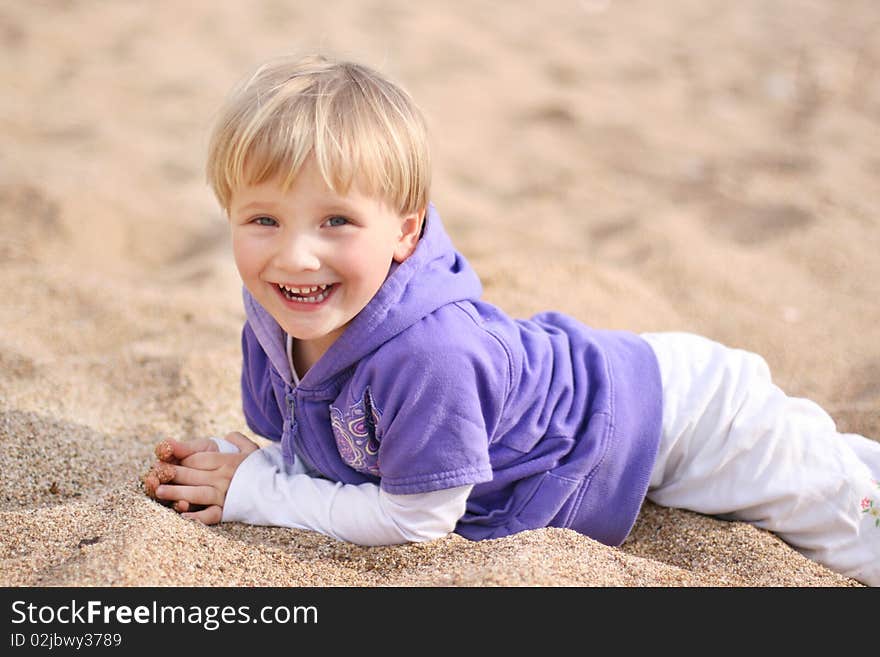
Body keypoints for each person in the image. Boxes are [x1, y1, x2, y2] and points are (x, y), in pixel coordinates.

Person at [145, 53, 880, 586]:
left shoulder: (429, 353)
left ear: (405, 233)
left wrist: (258, 491)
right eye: (263, 219)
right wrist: (241, 462)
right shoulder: (275, 312)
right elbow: (318, 448)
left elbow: (417, 520)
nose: (296, 257)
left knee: (853, 526)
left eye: (336, 220)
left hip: (684, 416)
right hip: (613, 415)